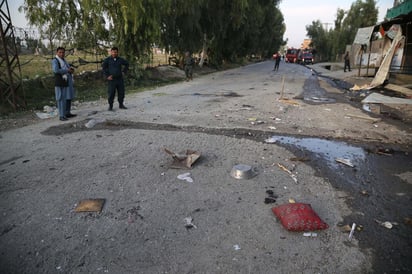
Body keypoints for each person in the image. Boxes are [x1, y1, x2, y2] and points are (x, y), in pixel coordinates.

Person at [52, 47, 75, 121]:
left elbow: (67, 68)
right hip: (59, 82)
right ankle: (61, 115)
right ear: (57, 53)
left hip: (66, 81)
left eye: (63, 52)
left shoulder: (64, 60)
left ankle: (67, 113)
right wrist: (66, 70)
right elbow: (56, 70)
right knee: (61, 98)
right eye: (60, 52)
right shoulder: (55, 61)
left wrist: (70, 70)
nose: (62, 54)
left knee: (67, 97)